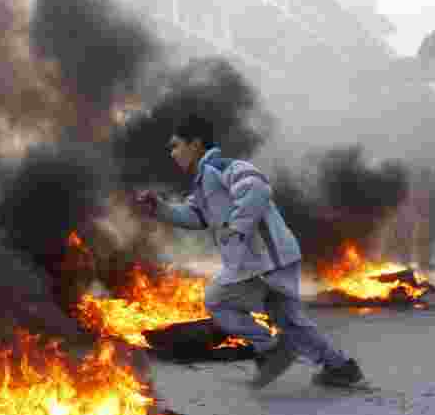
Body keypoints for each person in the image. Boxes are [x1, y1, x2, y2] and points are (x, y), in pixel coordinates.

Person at [135, 114, 364, 388]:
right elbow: (195, 216)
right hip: (265, 261)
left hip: (266, 259)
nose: (172, 153)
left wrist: (238, 225)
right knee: (291, 321)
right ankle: (340, 367)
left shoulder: (224, 167)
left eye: (175, 146)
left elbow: (257, 189)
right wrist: (160, 208)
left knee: (218, 299)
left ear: (195, 144)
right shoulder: (203, 183)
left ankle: (269, 351)